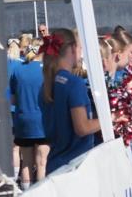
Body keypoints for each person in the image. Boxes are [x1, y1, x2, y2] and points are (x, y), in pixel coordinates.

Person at [41, 29, 101, 173]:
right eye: (80, 48)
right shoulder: (74, 83)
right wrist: (111, 118)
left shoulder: (47, 84)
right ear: (73, 48)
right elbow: (82, 128)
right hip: (75, 166)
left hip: (55, 164)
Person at [10, 42, 48, 188]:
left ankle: (26, 192)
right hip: (42, 119)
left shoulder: (18, 69)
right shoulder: (46, 70)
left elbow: (12, 98)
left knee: (26, 161)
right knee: (42, 162)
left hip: (22, 118)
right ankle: (40, 194)